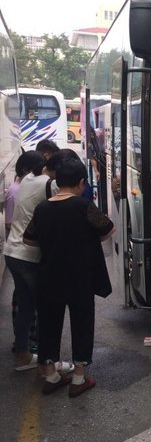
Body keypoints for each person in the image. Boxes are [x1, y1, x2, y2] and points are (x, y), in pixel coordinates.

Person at [24, 158, 114, 396]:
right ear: (81, 183)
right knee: (82, 322)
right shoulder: (83, 206)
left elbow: (29, 239)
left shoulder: (43, 208)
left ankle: (51, 376)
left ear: (57, 181)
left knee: (49, 323)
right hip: (79, 277)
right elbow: (108, 229)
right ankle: (78, 379)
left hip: (49, 276)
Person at [4, 151, 54, 371]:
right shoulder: (48, 184)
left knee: (26, 306)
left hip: (12, 252)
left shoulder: (26, 180)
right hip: (29, 255)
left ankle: (22, 354)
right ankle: (47, 363)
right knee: (45, 307)